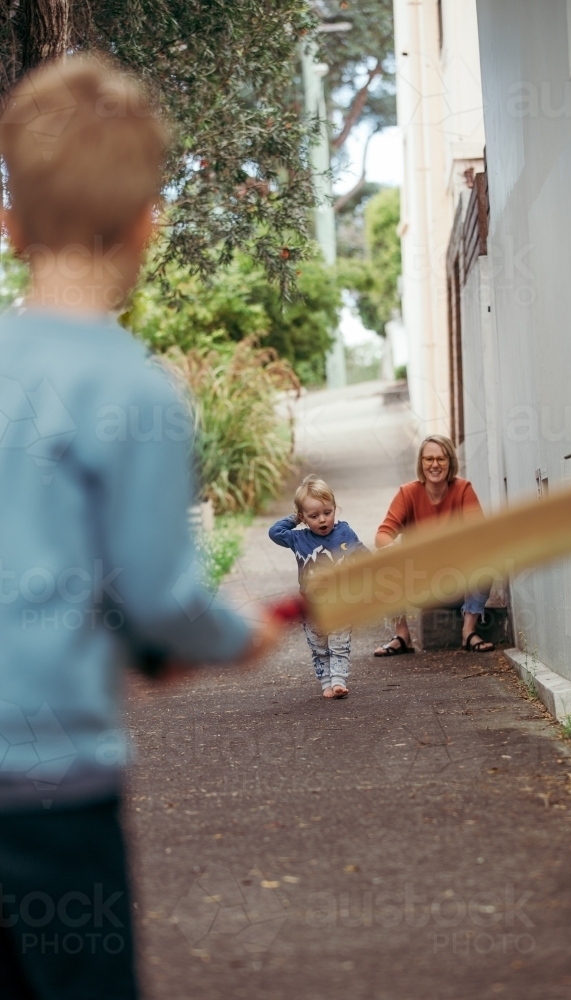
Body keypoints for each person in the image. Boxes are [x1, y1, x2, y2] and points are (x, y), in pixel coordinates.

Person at [0, 57, 278, 1000]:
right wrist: (232, 636)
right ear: (148, 226)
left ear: (10, 229)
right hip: (50, 789)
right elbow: (155, 594)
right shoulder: (135, 391)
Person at [373, 435, 494, 655]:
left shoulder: (463, 490)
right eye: (429, 459)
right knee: (383, 560)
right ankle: (402, 636)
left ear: (450, 462)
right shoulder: (408, 493)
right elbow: (382, 535)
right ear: (421, 463)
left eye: (441, 458)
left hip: (457, 583)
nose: (435, 465)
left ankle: (469, 631)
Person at [269, 475, 368, 698]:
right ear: (303, 517)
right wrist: (294, 519)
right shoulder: (298, 538)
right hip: (310, 605)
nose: (322, 520)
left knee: (339, 643)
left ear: (335, 508)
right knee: (318, 646)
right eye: (313, 516)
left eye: (327, 512)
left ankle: (339, 681)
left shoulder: (344, 533)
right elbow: (274, 532)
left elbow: (363, 555)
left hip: (340, 601)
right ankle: (326, 683)